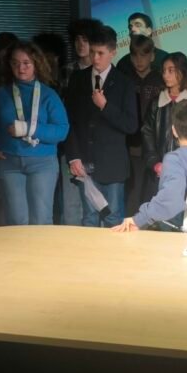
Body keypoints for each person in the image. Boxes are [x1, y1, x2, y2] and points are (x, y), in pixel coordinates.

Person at [0, 41, 70, 225]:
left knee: (41, 219)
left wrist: (29, 129)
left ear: (36, 64)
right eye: (15, 63)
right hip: (9, 163)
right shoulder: (1, 94)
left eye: (26, 63)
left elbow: (62, 130)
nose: (20, 68)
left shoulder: (48, 95)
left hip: (42, 163)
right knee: (16, 220)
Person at [64, 25, 139, 227]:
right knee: (89, 218)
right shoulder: (78, 79)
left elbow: (131, 125)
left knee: (113, 218)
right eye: (92, 52)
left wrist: (105, 106)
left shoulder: (125, 83)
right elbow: (69, 121)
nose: (95, 58)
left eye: (101, 53)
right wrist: (73, 156)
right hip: (84, 162)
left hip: (112, 165)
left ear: (113, 52)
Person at [113, 100, 187, 232]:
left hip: (181, 232)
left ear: (174, 130)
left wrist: (138, 219)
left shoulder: (174, 160)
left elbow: (170, 201)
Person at [59, 18, 102, 225]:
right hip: (71, 142)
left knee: (98, 203)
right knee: (72, 204)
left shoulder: (102, 71)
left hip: (96, 146)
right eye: (77, 40)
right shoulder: (67, 71)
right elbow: (63, 111)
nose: (81, 44)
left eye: (85, 40)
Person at [143, 52, 187, 200]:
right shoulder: (156, 103)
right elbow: (147, 133)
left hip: (186, 174)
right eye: (164, 71)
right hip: (158, 173)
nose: (166, 75)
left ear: (183, 71)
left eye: (171, 70)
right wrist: (155, 163)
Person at [126, 34, 166, 213]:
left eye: (144, 55)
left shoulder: (160, 80)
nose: (139, 60)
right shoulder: (126, 80)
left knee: (153, 194)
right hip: (132, 146)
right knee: (133, 194)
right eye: (135, 55)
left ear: (152, 56)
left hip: (156, 147)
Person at [116, 12, 168, 79]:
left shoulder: (165, 59)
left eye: (138, 25)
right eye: (130, 27)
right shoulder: (122, 64)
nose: (132, 29)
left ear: (149, 31)